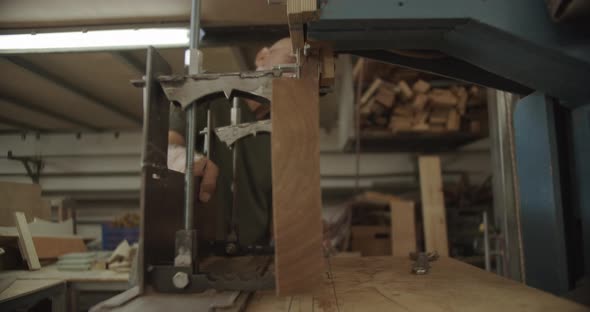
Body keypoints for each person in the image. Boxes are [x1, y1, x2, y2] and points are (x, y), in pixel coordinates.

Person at [167, 38, 296, 247]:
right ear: (262, 57)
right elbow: (169, 147)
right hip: (195, 248)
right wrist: (186, 158)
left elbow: (277, 207)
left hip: (252, 257)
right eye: (293, 58)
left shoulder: (284, 133)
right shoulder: (207, 94)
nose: (299, 71)